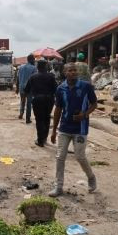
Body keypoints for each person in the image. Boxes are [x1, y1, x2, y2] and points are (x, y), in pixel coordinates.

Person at [49, 63, 97, 197]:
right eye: (70, 70)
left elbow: (94, 104)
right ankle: (58, 187)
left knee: (80, 156)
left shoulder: (86, 87)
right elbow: (58, 109)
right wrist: (53, 131)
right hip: (64, 128)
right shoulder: (60, 89)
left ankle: (91, 177)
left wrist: (85, 114)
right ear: (65, 73)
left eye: (75, 70)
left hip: (80, 129)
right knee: (60, 157)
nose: (73, 72)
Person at [24, 60, 57, 147]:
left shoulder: (33, 77)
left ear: (37, 67)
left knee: (39, 120)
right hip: (49, 100)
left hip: (37, 100)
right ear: (46, 67)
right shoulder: (51, 76)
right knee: (47, 118)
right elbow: (56, 89)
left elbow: (26, 90)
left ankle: (40, 141)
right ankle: (44, 138)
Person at [16, 54, 37, 123]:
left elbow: (18, 78)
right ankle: (28, 118)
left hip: (21, 87)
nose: (34, 61)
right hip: (29, 88)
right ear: (31, 60)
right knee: (29, 103)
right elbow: (34, 79)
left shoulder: (21, 67)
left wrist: (17, 87)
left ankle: (21, 114)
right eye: (34, 59)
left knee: (22, 101)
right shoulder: (34, 68)